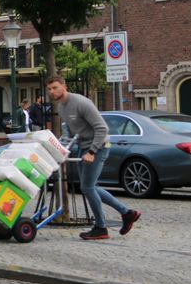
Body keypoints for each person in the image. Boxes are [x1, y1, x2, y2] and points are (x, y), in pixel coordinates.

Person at [46, 76, 141, 240]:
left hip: (99, 147)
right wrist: (59, 148)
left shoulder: (81, 103)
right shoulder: (62, 107)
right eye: (49, 89)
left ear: (64, 86)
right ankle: (127, 213)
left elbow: (102, 129)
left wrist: (92, 152)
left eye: (54, 88)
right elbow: (69, 133)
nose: (51, 92)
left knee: (88, 187)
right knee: (88, 187)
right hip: (84, 148)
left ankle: (101, 227)